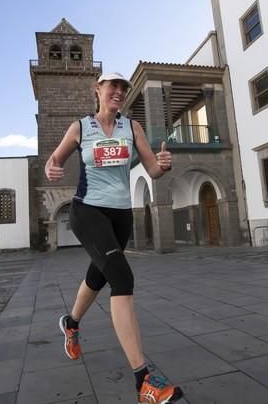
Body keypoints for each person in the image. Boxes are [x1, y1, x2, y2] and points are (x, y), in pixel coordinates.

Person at [45, 72, 182, 404]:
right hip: (88, 210)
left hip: (121, 215)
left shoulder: (132, 128)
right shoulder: (80, 127)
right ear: (99, 90)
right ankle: (143, 380)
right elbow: (55, 159)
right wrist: (52, 168)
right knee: (121, 276)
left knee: (98, 274)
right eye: (113, 86)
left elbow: (150, 169)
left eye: (123, 88)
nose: (118, 92)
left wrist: (163, 165)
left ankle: (71, 322)